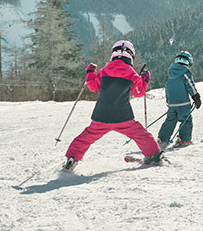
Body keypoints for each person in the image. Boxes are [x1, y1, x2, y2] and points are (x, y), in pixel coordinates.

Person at [62, 40, 163, 171]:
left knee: (86, 137)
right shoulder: (131, 73)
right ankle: (153, 155)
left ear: (113, 54)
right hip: (123, 117)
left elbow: (93, 87)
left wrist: (90, 73)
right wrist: (145, 79)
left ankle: (72, 159)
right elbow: (138, 93)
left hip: (101, 116)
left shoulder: (105, 71)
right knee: (140, 134)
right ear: (131, 55)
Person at [157, 50, 201, 148]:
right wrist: (196, 97)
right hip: (183, 104)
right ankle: (184, 140)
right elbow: (190, 85)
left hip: (172, 104)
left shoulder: (170, 74)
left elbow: (167, 88)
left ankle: (162, 139)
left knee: (170, 120)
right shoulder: (185, 73)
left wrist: (169, 101)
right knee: (186, 120)